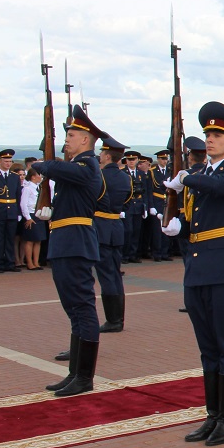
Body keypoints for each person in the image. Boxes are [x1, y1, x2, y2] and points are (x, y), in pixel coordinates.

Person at [165, 102, 224, 446]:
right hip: (197, 268)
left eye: (218, 135)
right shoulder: (203, 173)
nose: (211, 139)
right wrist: (177, 225)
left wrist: (190, 178)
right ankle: (212, 415)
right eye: (208, 134)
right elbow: (195, 219)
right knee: (208, 349)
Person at [34, 107, 105, 397]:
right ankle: (74, 373)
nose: (67, 139)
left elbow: (53, 168)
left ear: (86, 140)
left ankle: (84, 378)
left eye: (72, 134)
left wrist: (43, 163)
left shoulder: (87, 166)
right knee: (74, 311)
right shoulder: (76, 168)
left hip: (75, 244)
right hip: (65, 242)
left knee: (83, 309)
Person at [95, 136, 132, 334]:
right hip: (116, 225)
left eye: (102, 153)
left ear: (108, 156)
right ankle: (118, 318)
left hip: (100, 227)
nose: (100, 156)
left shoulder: (99, 176)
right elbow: (127, 199)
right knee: (115, 275)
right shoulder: (125, 177)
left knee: (107, 276)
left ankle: (114, 320)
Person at [0, 149, 23, 272]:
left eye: (10, 161)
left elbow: (18, 195)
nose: (8, 163)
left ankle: (10, 262)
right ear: (0, 161)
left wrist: (18, 212)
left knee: (10, 238)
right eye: (6, 161)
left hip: (12, 210)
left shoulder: (14, 177)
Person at [19, 167, 46, 270]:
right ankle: (29, 263)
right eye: (39, 175)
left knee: (38, 240)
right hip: (31, 215)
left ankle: (36, 262)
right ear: (33, 177)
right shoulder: (27, 188)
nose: (41, 177)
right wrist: (28, 217)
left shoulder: (39, 187)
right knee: (30, 240)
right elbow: (23, 204)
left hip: (39, 214)